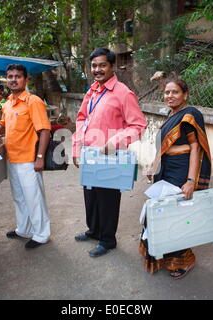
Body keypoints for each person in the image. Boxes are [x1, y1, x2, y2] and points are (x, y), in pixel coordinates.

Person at [72, 48, 147, 258]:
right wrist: (77, 148)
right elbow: (80, 119)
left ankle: (107, 239)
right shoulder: (93, 90)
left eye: (102, 65)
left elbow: (138, 124)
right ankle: (94, 230)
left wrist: (114, 142)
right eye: (94, 65)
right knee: (91, 195)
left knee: (107, 199)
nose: (97, 69)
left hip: (109, 156)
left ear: (112, 67)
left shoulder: (123, 93)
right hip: (89, 154)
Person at [140, 78, 212, 279]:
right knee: (161, 213)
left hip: (180, 171)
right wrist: (154, 165)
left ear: (185, 95)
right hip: (166, 169)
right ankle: (161, 254)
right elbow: (164, 148)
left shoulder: (190, 115)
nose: (169, 96)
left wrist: (190, 181)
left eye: (175, 92)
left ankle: (184, 260)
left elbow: (196, 148)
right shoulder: (171, 115)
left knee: (176, 216)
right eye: (167, 93)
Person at [0, 64, 52, 249]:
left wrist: (40, 157)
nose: (13, 79)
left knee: (34, 198)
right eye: (10, 76)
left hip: (29, 160)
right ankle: (24, 229)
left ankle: (41, 234)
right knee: (19, 197)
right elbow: (3, 125)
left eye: (17, 76)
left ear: (26, 80)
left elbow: (44, 131)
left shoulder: (33, 101)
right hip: (13, 159)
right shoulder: (8, 103)